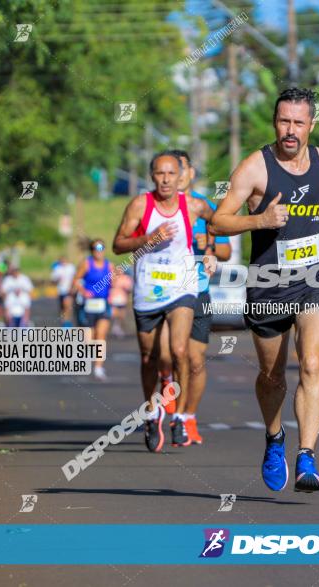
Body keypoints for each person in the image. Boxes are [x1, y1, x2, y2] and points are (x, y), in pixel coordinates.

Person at [210, 87, 319, 493]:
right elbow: (218, 222)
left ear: (311, 123)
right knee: (272, 375)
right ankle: (274, 437)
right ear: (275, 122)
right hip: (268, 283)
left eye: (298, 122)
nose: (290, 130)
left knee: (311, 363)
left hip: (316, 276)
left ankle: (307, 455)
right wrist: (259, 221)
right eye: (283, 121)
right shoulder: (254, 169)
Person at [112, 150, 216, 453]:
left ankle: (180, 415)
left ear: (180, 174)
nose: (166, 179)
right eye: (160, 173)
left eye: (172, 173)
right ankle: (152, 411)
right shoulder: (140, 205)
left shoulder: (193, 205)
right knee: (150, 357)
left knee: (180, 350)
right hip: (148, 288)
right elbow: (119, 243)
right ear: (152, 176)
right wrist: (148, 238)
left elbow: (220, 220)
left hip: (182, 288)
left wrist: (209, 248)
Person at [156, 149, 232, 447]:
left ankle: (186, 418)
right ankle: (166, 383)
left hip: (198, 290)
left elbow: (225, 249)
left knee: (195, 360)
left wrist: (209, 246)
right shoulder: (156, 206)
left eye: (181, 168)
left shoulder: (205, 207)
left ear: (189, 173)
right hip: (165, 291)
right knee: (168, 355)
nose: (177, 174)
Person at [72, 239, 112, 380]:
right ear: (92, 250)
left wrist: (114, 292)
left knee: (101, 335)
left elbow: (114, 283)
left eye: (101, 247)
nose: (99, 251)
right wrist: (83, 291)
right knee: (89, 338)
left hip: (103, 304)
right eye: (96, 248)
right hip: (88, 305)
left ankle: (98, 368)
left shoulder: (109, 265)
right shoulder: (86, 264)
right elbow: (75, 280)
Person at [51, 256, 76, 327]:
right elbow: (53, 280)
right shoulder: (57, 269)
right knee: (62, 308)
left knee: (67, 306)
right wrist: (57, 280)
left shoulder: (71, 267)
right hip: (61, 291)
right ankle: (65, 322)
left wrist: (73, 287)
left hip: (69, 290)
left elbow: (75, 277)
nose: (63, 262)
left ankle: (67, 323)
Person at [108, 268, 133, 339]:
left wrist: (126, 288)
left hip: (122, 299)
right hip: (113, 299)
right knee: (114, 314)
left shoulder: (126, 278)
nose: (119, 272)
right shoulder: (112, 278)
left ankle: (117, 327)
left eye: (121, 271)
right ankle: (115, 327)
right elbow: (110, 286)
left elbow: (129, 288)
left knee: (122, 315)